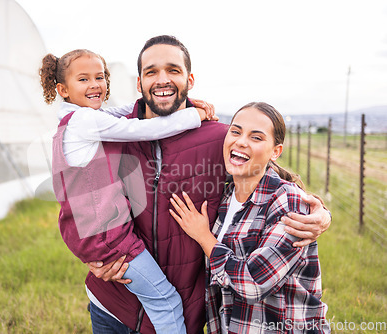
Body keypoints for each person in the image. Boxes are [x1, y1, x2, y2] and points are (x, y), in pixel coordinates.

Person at [86, 35, 332, 334]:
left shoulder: (219, 138)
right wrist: (90, 253)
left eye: (173, 70)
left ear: (189, 79)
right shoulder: (110, 134)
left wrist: (319, 214)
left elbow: (262, 170)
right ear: (139, 83)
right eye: (151, 72)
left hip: (181, 313)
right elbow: (79, 200)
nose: (162, 79)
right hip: (113, 305)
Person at [40, 49, 217, 333]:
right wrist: (193, 115)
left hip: (93, 230)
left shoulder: (76, 118)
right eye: (83, 79)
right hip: (108, 234)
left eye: (100, 77)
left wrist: (185, 102)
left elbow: (124, 112)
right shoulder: (85, 122)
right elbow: (141, 129)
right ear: (63, 89)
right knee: (166, 301)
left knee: (158, 298)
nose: (94, 84)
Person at [170, 102, 330, 333]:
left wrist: (204, 237)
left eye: (256, 137)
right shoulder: (224, 196)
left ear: (276, 151)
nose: (241, 141)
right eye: (235, 131)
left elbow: (253, 283)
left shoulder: (287, 201)